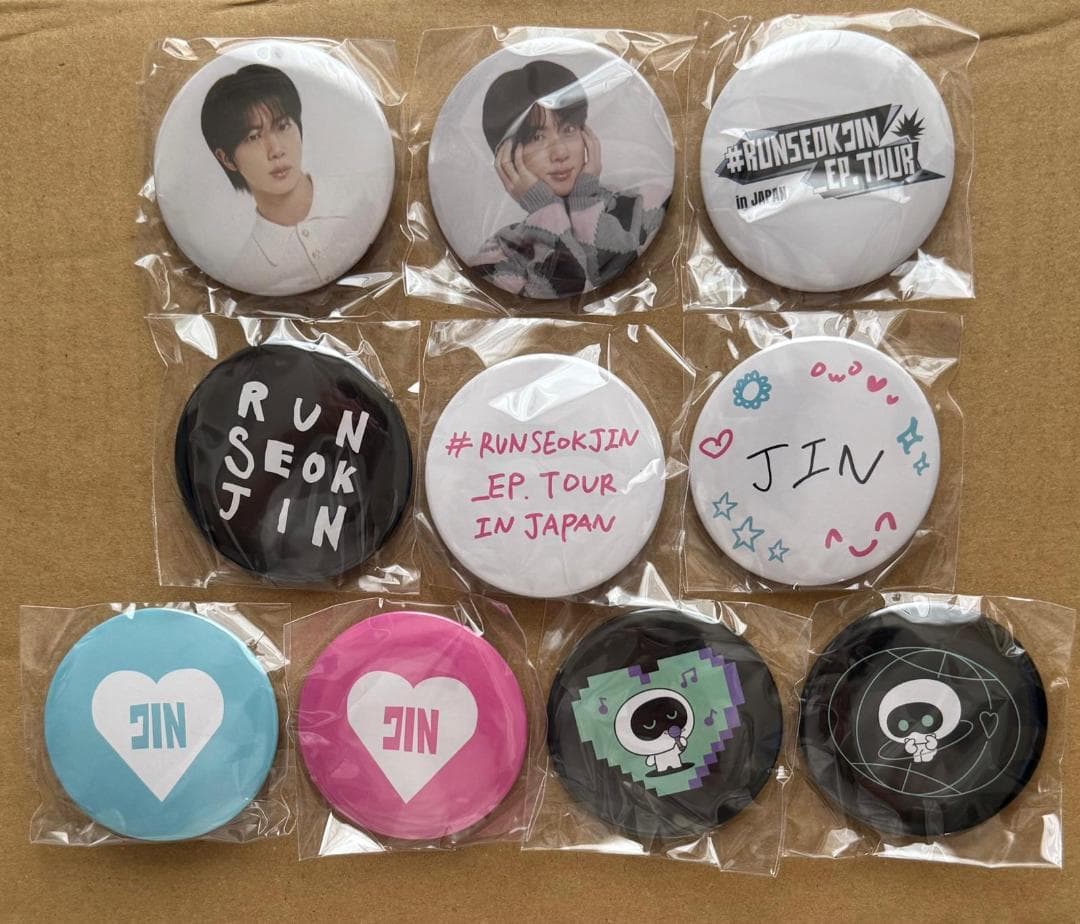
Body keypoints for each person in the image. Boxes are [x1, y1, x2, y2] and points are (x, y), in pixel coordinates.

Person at [473, 60, 669, 299]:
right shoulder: (499, 252)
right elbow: (570, 290)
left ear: (586, 135)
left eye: (568, 130)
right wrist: (543, 209)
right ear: (506, 155)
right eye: (537, 138)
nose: (560, 153)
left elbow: (616, 268)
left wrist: (585, 199)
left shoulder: (646, 203)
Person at [200, 64, 352, 295]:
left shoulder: (364, 198)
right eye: (253, 137)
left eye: (283, 126)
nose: (276, 150)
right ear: (227, 159)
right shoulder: (244, 273)